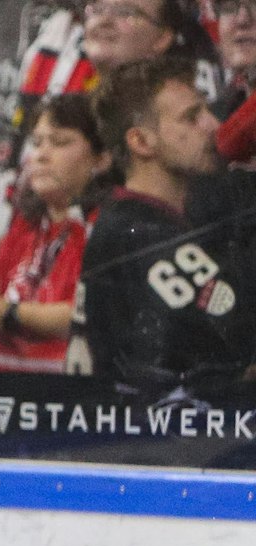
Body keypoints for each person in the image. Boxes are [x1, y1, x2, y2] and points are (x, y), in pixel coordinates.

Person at [78, 54, 256, 388]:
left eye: (204, 109)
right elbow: (239, 352)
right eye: (192, 117)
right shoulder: (138, 236)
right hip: (160, 435)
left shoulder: (154, 219)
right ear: (142, 141)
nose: (214, 125)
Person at [0, 94, 108, 372]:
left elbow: (85, 314)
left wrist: (9, 314)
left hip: (60, 395)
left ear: (101, 159)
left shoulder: (101, 226)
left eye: (60, 142)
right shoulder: (24, 223)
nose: (41, 154)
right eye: (36, 142)